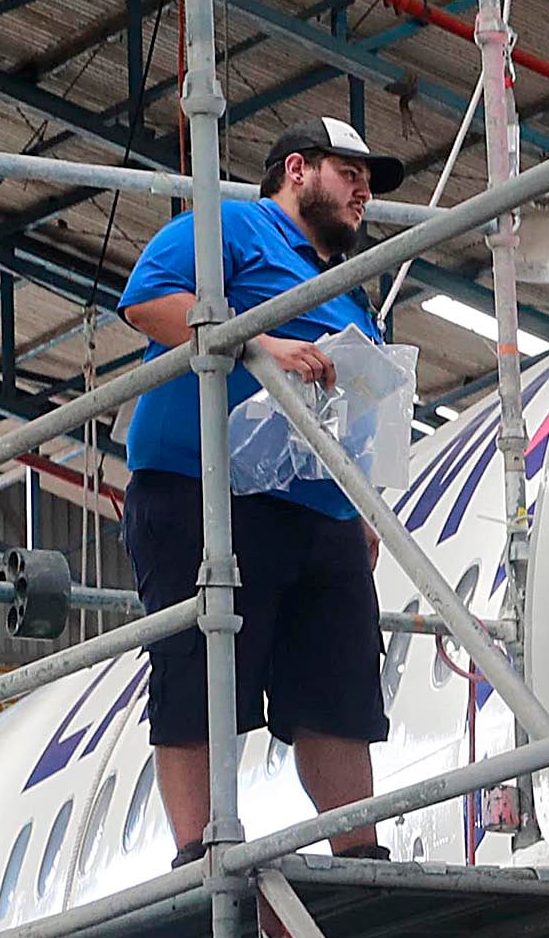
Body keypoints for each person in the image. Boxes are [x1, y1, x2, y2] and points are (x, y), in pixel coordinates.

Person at [115, 117, 404, 865]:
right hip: (204, 486)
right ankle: (202, 855)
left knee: (338, 685)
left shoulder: (348, 290)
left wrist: (360, 503)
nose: (363, 192)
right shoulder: (232, 228)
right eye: (350, 174)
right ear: (297, 170)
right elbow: (149, 300)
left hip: (317, 503)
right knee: (202, 666)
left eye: (367, 182)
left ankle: (360, 855)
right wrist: (259, 344)